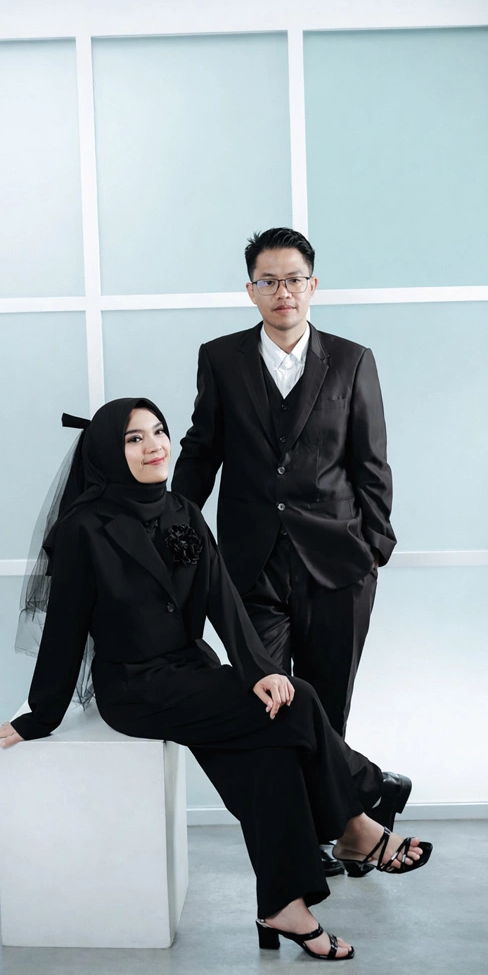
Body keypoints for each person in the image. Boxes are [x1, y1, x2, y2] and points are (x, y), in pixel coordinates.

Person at [0, 398, 431, 961]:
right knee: (299, 700)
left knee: (272, 752)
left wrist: (258, 671)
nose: (155, 446)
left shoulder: (182, 511)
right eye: (134, 439)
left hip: (193, 672)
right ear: (107, 452)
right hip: (135, 689)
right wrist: (39, 716)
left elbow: (225, 602)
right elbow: (64, 631)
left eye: (159, 432)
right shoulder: (83, 528)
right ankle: (360, 818)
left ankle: (283, 907)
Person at [171, 227, 401, 874]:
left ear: (312, 285)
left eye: (293, 279)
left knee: (326, 702)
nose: (283, 292)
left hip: (338, 564)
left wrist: (375, 547)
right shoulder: (221, 359)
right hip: (251, 564)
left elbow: (371, 464)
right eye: (268, 281)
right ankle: (361, 800)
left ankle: (327, 835)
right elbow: (201, 451)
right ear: (250, 290)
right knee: (266, 705)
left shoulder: (352, 361)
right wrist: (173, 528)